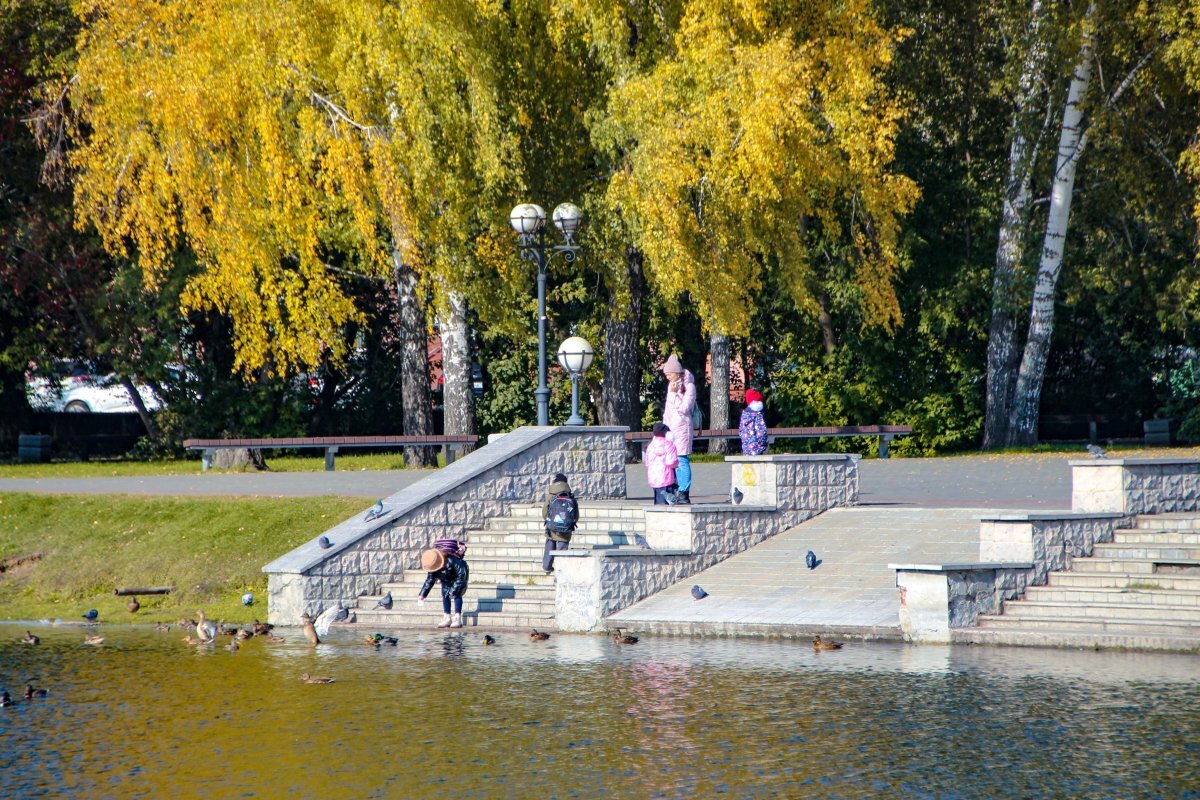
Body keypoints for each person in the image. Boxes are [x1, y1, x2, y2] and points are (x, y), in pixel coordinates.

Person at [661, 354, 696, 503]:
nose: (667, 377)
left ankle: (684, 492)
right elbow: (668, 410)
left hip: (682, 428)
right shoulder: (671, 386)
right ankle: (675, 488)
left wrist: (674, 394)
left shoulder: (689, 386)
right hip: (671, 429)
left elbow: (684, 408)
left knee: (682, 460)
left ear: (676, 373)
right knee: (671, 460)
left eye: (669, 374)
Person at [417, 547, 470, 628]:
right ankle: (447, 616)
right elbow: (430, 580)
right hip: (445, 579)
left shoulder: (453, 561)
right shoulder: (433, 566)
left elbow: (461, 575)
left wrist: (453, 590)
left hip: (459, 578)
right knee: (445, 594)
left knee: (457, 594)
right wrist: (423, 594)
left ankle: (457, 617)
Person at [542, 472, 578, 574]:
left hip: (551, 528)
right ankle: (560, 569)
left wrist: (548, 520)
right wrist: (571, 523)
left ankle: (547, 567)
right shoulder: (570, 495)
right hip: (566, 528)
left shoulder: (551, 495)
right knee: (562, 546)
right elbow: (576, 513)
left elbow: (545, 510)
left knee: (550, 544)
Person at [645, 422, 680, 504]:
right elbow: (671, 462)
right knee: (668, 499)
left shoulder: (650, 446)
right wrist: (677, 463)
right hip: (666, 477)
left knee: (658, 500)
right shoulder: (669, 445)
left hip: (654, 477)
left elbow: (647, 463)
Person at [739, 389, 768, 455]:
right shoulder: (758, 415)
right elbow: (762, 432)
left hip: (746, 448)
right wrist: (763, 444)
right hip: (758, 449)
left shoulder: (744, 415)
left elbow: (741, 431)